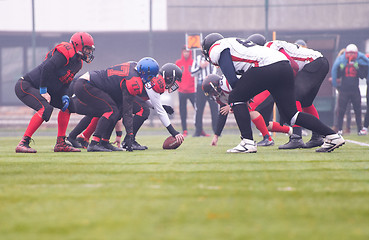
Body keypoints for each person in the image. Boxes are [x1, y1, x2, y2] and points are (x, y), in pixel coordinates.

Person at [201, 33, 345, 153]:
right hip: (283, 66)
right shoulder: (236, 43)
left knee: (235, 96)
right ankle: (332, 136)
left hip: (267, 66)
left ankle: (248, 142)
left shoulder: (217, 47)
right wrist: (246, 93)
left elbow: (232, 76)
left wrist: (239, 95)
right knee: (292, 115)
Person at [14, 32, 95, 153]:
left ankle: (60, 143)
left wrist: (64, 96)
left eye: (90, 49)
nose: (88, 52)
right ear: (78, 45)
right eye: (87, 48)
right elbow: (47, 68)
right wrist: (43, 90)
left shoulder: (78, 63)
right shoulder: (65, 52)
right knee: (45, 108)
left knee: (68, 107)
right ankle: (23, 142)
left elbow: (65, 82)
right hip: (26, 85)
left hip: (45, 88)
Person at [247, 34, 330, 149]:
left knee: (293, 98)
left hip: (313, 63)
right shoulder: (271, 48)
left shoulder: (270, 48)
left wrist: (287, 83)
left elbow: (293, 66)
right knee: (306, 103)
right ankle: (317, 136)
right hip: (319, 62)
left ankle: (296, 137)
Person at [69, 57, 157, 152]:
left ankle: (104, 142)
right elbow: (128, 111)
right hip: (87, 84)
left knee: (116, 112)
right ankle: (94, 143)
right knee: (110, 111)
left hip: (90, 83)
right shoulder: (132, 80)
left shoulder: (133, 69)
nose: (150, 80)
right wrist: (130, 134)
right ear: (143, 72)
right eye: (150, 77)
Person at [202, 74, 292, 146]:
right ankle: (290, 131)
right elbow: (222, 114)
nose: (213, 95)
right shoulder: (219, 97)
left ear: (216, 86)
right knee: (264, 124)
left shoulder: (227, 84)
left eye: (213, 92)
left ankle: (267, 139)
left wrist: (231, 106)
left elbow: (244, 93)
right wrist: (216, 136)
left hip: (262, 90)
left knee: (249, 110)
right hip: (256, 93)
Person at [120, 63, 185, 150]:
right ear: (169, 77)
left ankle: (104, 141)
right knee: (143, 110)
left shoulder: (154, 78)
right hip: (123, 92)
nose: (174, 83)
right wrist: (174, 132)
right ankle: (128, 140)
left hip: (124, 92)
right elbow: (160, 112)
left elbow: (144, 99)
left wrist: (161, 106)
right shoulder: (155, 81)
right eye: (175, 80)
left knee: (114, 113)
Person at [331, 44, 369, 135]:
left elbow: (363, 76)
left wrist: (357, 68)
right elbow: (338, 74)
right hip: (344, 89)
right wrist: (341, 69)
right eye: (349, 53)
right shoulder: (342, 61)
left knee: (358, 110)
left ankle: (359, 129)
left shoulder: (359, 61)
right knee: (341, 110)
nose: (351, 55)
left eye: (353, 53)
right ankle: (340, 129)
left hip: (355, 89)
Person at [191, 53, 219, 137]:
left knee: (214, 108)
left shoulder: (213, 58)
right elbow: (192, 73)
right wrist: (200, 67)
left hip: (211, 86)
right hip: (200, 86)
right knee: (199, 109)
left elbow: (215, 72)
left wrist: (210, 80)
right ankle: (198, 130)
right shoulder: (197, 58)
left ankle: (216, 131)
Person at [175, 46, 196, 137]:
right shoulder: (178, 63)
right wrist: (178, 86)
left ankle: (199, 129)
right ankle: (185, 130)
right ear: (182, 52)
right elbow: (175, 76)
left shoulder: (194, 62)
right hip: (182, 91)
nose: (186, 53)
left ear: (190, 52)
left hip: (192, 91)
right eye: (184, 52)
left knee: (198, 109)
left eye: (187, 52)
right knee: (183, 112)